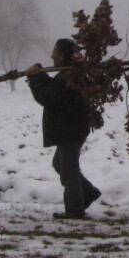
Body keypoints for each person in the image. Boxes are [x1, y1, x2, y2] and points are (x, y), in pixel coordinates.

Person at [25, 38, 101, 219]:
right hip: (71, 128)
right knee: (60, 164)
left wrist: (34, 78)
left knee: (68, 171)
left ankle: (74, 211)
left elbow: (47, 97)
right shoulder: (68, 74)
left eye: (55, 52)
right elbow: (52, 89)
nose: (52, 56)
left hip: (70, 129)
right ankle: (87, 193)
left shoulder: (69, 76)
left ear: (62, 55)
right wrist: (40, 76)